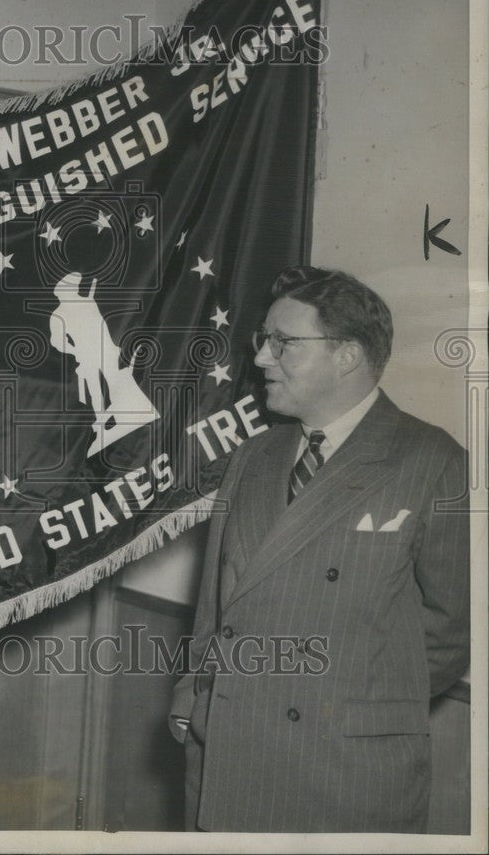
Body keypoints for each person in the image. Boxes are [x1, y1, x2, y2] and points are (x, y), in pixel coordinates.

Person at [169, 266, 469, 833]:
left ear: (347, 355)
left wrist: (350, 699)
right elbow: (215, 603)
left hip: (344, 766)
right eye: (263, 340)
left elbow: (451, 628)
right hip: (230, 747)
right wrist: (195, 693)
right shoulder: (252, 458)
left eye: (283, 342)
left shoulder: (433, 461)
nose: (260, 358)